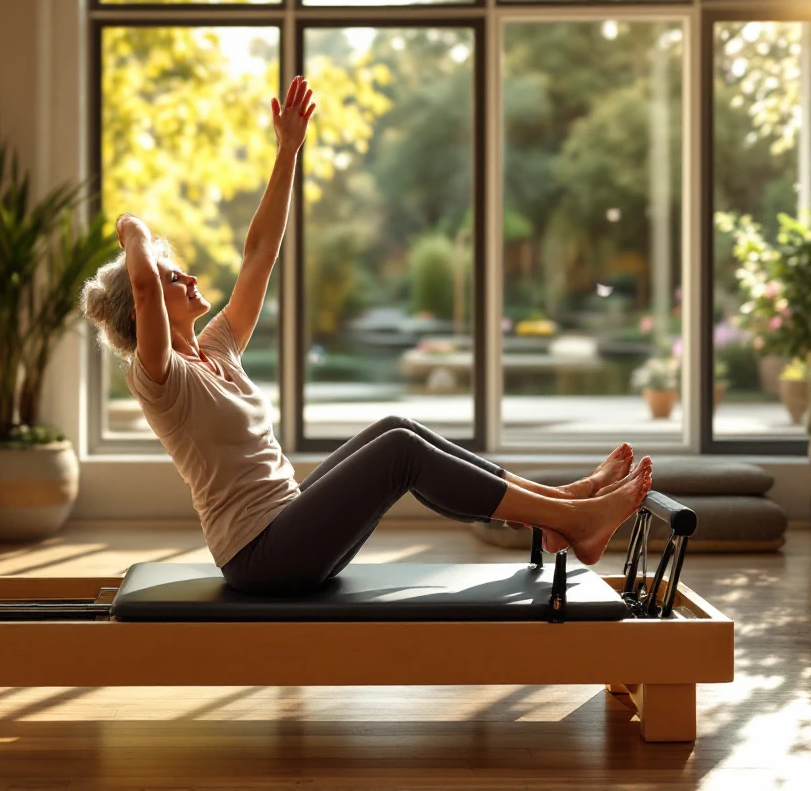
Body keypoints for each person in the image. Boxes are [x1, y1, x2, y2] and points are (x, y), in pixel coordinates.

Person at [79, 75, 652, 595]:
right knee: (401, 455)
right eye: (174, 273)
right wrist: (134, 228)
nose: (190, 276)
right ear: (146, 303)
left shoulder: (215, 347)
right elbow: (146, 286)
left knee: (393, 428)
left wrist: (288, 150)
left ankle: (560, 505)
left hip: (288, 522)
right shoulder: (160, 378)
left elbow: (257, 256)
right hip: (260, 556)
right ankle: (575, 520)